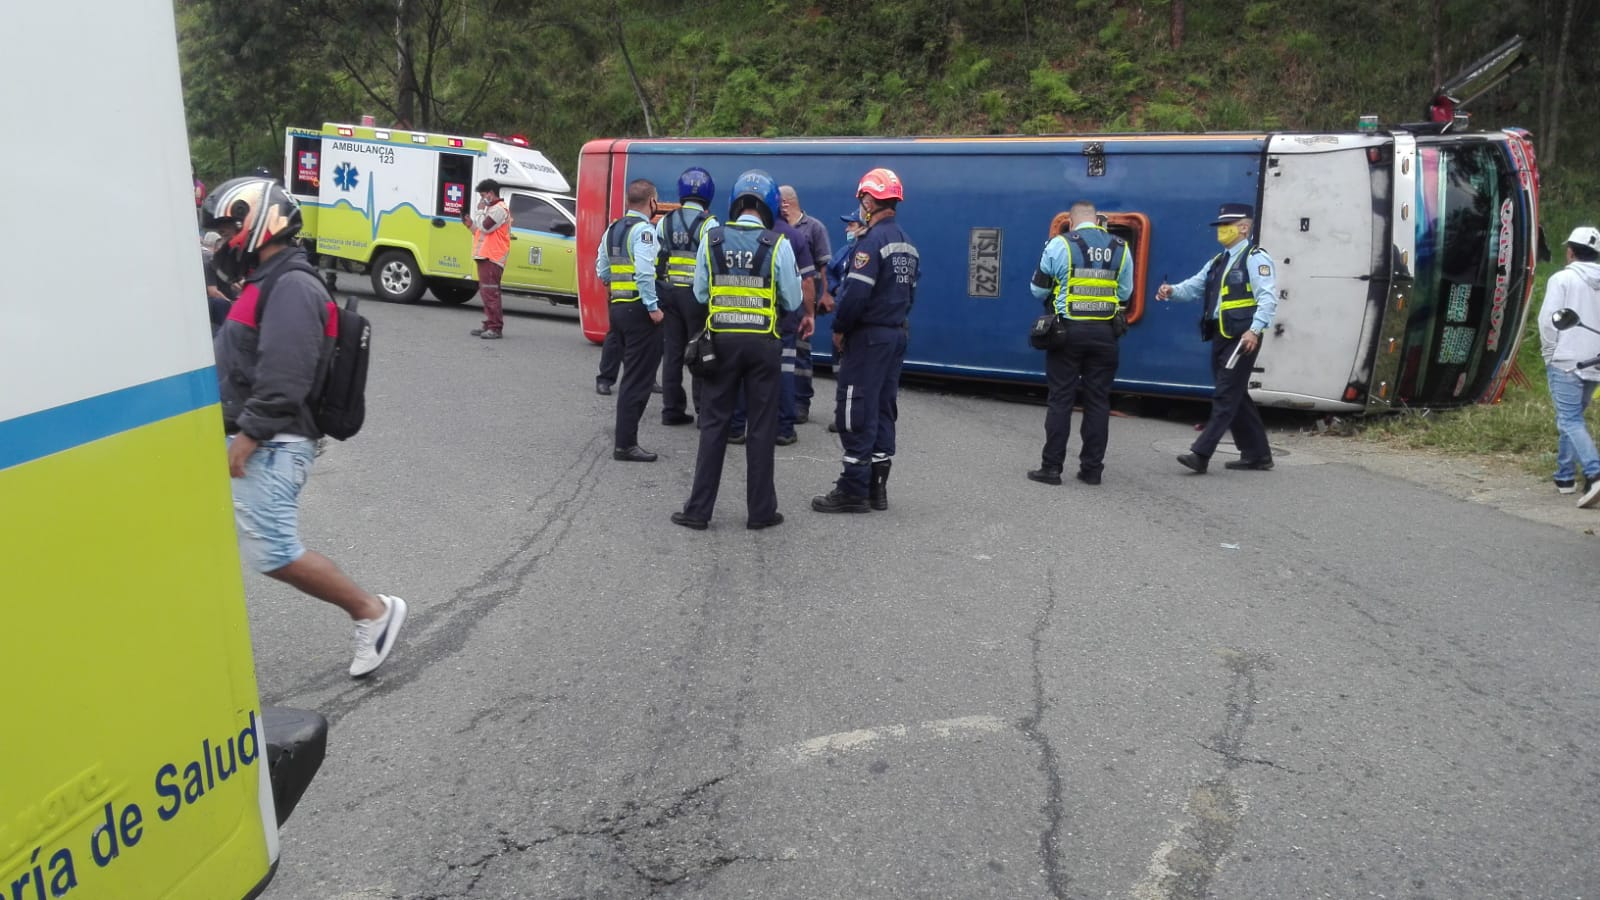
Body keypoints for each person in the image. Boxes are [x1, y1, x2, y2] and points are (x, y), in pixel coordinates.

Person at [204, 177, 407, 678]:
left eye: (230, 225)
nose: (222, 237)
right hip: (256, 435)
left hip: (272, 442)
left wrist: (250, 434)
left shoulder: (292, 284)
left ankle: (372, 612)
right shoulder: (267, 278)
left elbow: (286, 370)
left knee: (273, 551)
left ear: (260, 220)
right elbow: (247, 337)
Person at [671, 170, 803, 530]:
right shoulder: (778, 244)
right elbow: (792, 299)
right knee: (761, 428)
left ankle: (698, 511)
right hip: (763, 346)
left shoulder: (711, 239)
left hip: (721, 345)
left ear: (736, 203)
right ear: (770, 206)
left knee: (714, 426)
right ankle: (761, 512)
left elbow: (700, 293)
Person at [812, 168, 918, 513]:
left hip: (868, 337)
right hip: (895, 334)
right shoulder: (906, 243)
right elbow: (910, 293)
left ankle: (853, 489)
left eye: (861, 200)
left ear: (869, 201)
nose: (859, 206)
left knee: (855, 407)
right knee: (883, 408)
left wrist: (840, 328)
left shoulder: (870, 243)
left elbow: (855, 294)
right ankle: (877, 489)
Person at [1155, 202, 1278, 474]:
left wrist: (1255, 330)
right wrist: (1171, 291)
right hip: (1221, 335)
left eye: (1227, 226)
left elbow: (1268, 299)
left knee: (1225, 394)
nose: (1221, 230)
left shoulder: (1255, 257)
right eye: (1220, 226)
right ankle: (1258, 455)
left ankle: (1201, 453)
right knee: (1236, 394)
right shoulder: (1218, 261)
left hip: (1243, 337)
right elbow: (1194, 287)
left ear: (1244, 228)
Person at [1026, 200, 1132, 486]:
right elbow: (1125, 291)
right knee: (1098, 401)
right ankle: (1092, 469)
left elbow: (1038, 289)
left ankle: (1051, 469)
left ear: (1071, 222)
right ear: (1097, 220)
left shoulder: (1059, 244)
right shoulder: (1121, 248)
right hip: (1106, 334)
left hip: (1067, 333)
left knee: (1061, 399)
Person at [726, 203, 815, 445]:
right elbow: (806, 281)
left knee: (742, 374)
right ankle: (783, 429)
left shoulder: (740, 235)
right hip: (780, 318)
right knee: (784, 371)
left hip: (739, 318)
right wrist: (808, 313)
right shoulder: (793, 237)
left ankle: (736, 428)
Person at [595, 179, 665, 462]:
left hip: (618, 307)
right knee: (637, 380)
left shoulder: (613, 229)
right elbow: (646, 272)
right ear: (651, 201)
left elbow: (601, 269)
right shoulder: (644, 231)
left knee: (631, 378)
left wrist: (617, 286)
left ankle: (626, 441)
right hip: (639, 310)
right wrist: (653, 307)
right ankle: (625, 444)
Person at [1536, 225, 1600, 507]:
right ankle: (1564, 477)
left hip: (1566, 359)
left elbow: (1548, 320)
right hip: (1596, 362)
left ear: (1571, 251)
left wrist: (1550, 353)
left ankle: (1595, 472)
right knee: (1572, 417)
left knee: (1569, 419)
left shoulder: (1562, 279)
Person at [656, 167, 719, 425]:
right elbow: (710, 263)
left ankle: (672, 410)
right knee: (700, 350)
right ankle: (703, 411)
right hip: (696, 297)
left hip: (669, 294)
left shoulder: (664, 221)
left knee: (672, 352)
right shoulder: (709, 224)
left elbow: (658, 259)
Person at [781, 185, 832, 424]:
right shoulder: (777, 227)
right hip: (782, 301)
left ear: (785, 203)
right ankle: (783, 401)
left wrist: (826, 294)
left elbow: (824, 267)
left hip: (803, 301)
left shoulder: (814, 228)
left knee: (801, 353)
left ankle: (801, 402)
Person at [465, 179, 513, 339]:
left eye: (483, 195)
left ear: (491, 193)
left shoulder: (499, 209)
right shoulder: (492, 208)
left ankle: (495, 327)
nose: (481, 199)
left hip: (492, 257)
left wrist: (479, 211)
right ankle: (489, 323)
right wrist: (470, 225)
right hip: (485, 256)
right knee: (486, 292)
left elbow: (486, 226)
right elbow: (480, 232)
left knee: (491, 292)